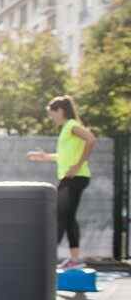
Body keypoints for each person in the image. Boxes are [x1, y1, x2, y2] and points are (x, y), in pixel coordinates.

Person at [26, 95, 97, 270]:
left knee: (59, 216)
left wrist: (77, 165)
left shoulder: (72, 125)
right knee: (67, 217)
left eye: (52, 114)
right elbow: (64, 156)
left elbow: (91, 139)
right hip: (73, 177)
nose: (52, 118)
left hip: (74, 178)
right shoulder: (66, 128)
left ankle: (49, 256)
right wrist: (45, 157)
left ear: (61, 111)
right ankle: (74, 260)